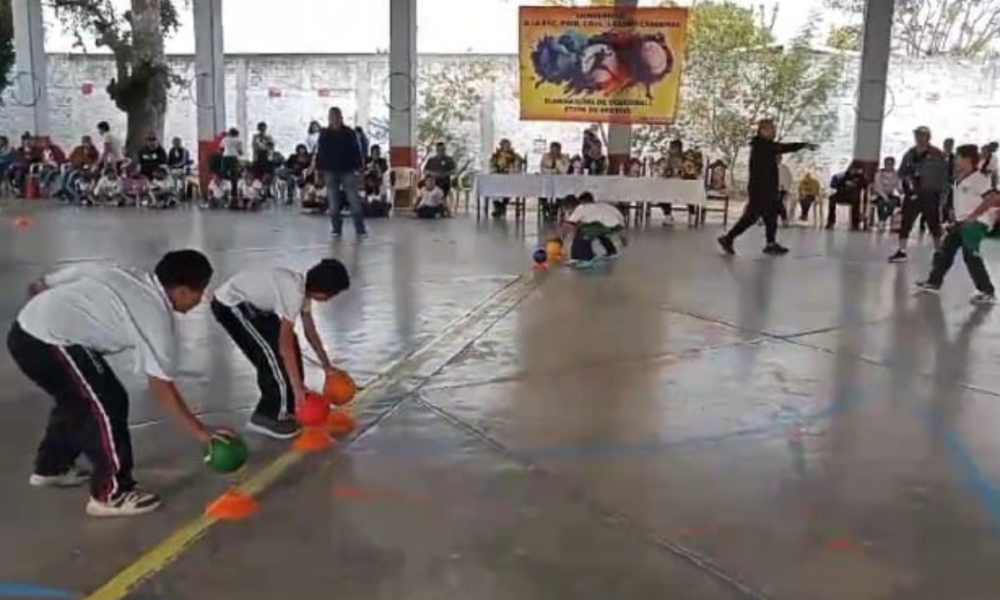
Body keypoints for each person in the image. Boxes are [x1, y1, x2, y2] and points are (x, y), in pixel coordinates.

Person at [6, 250, 230, 517]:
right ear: (182, 291)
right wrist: (201, 433)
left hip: (27, 328)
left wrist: (44, 285)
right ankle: (111, 494)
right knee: (107, 402)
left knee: (78, 399)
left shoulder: (128, 274)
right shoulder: (155, 315)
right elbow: (161, 388)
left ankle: (52, 467)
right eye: (199, 292)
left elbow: (77, 272)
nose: (200, 300)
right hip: (47, 339)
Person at [210, 260, 351, 439]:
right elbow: (285, 348)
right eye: (333, 294)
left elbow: (310, 332)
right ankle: (267, 416)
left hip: (255, 309)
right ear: (324, 290)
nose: (330, 299)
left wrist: (327, 366)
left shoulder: (303, 290)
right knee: (273, 357)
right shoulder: (294, 293)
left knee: (289, 343)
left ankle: (292, 402)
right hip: (231, 305)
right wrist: (298, 388)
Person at [717, 119, 816, 256]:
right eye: (771, 129)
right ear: (762, 130)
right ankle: (729, 239)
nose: (774, 132)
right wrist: (803, 145)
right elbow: (783, 147)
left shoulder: (764, 144)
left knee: (768, 216)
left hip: (766, 188)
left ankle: (769, 243)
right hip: (761, 189)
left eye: (774, 129)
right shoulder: (761, 145)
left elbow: (779, 148)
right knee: (751, 217)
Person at [916, 144, 999, 305]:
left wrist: (974, 216)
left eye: (959, 157)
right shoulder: (960, 178)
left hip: (974, 224)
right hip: (961, 223)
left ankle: (987, 291)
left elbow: (993, 198)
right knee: (944, 252)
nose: (956, 160)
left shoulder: (979, 179)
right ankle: (934, 282)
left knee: (971, 257)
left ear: (967, 159)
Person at [889, 126, 950, 263]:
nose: (919, 138)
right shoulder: (910, 153)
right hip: (912, 193)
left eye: (922, 135)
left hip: (930, 194)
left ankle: (938, 251)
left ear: (928, 137)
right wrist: (905, 182)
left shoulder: (937, 154)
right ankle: (902, 250)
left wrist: (943, 197)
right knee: (906, 222)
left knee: (934, 223)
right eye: (917, 135)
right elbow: (901, 172)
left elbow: (944, 176)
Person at [315, 106, 366, 237]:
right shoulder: (324, 134)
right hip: (330, 171)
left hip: (348, 170)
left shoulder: (349, 133)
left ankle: (360, 229)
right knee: (333, 202)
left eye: (337, 117)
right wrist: (319, 170)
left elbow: (356, 151)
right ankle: (336, 228)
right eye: (332, 117)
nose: (335, 120)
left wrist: (360, 168)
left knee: (353, 199)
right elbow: (320, 153)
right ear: (329, 119)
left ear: (341, 118)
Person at [560, 191, 626, 263]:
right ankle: (611, 251)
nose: (569, 213)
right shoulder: (591, 207)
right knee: (595, 229)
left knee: (584, 232)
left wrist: (561, 240)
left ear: (571, 206)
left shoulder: (580, 208)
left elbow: (567, 226)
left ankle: (583, 258)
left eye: (568, 210)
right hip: (618, 223)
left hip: (609, 225)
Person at [826, 162, 865, 230]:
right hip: (842, 194)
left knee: (856, 198)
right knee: (832, 198)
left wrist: (855, 183)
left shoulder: (860, 177)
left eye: (855, 169)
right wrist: (844, 184)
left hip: (853, 196)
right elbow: (833, 185)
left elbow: (864, 186)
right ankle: (831, 221)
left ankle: (855, 222)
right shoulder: (842, 176)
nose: (853, 171)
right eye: (852, 169)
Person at [488, 139, 521, 218]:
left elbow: (517, 165)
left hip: (509, 177)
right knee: (494, 188)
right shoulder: (496, 155)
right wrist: (495, 169)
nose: (506, 147)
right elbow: (492, 165)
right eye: (504, 145)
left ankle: (502, 206)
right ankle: (498, 207)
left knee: (508, 188)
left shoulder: (514, 155)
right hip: (498, 176)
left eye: (508, 145)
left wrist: (511, 168)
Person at [538, 141, 569, 221]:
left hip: (561, 183)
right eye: (552, 150)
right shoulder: (545, 156)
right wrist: (553, 171)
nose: (554, 152)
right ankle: (546, 208)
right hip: (546, 181)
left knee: (560, 192)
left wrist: (558, 161)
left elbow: (564, 171)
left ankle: (555, 209)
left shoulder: (564, 157)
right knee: (543, 191)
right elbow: (543, 169)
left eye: (556, 150)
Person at [873, 156, 901, 230]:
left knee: (893, 203)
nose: (889, 166)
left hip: (890, 194)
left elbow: (898, 186)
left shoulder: (896, 174)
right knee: (881, 203)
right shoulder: (879, 174)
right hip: (879, 194)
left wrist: (901, 191)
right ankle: (881, 220)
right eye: (887, 164)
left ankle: (883, 219)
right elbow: (878, 187)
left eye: (891, 164)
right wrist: (885, 197)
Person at [220, 128, 244, 200]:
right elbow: (240, 152)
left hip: (225, 158)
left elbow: (221, 149)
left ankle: (223, 191)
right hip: (233, 158)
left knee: (223, 176)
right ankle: (234, 194)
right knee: (234, 176)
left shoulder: (224, 139)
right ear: (236, 134)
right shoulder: (238, 141)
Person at [778, 155, 793, 226]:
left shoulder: (784, 169)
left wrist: (786, 189)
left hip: (781, 189)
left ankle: (784, 220)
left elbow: (789, 179)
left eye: (778, 158)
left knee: (779, 203)